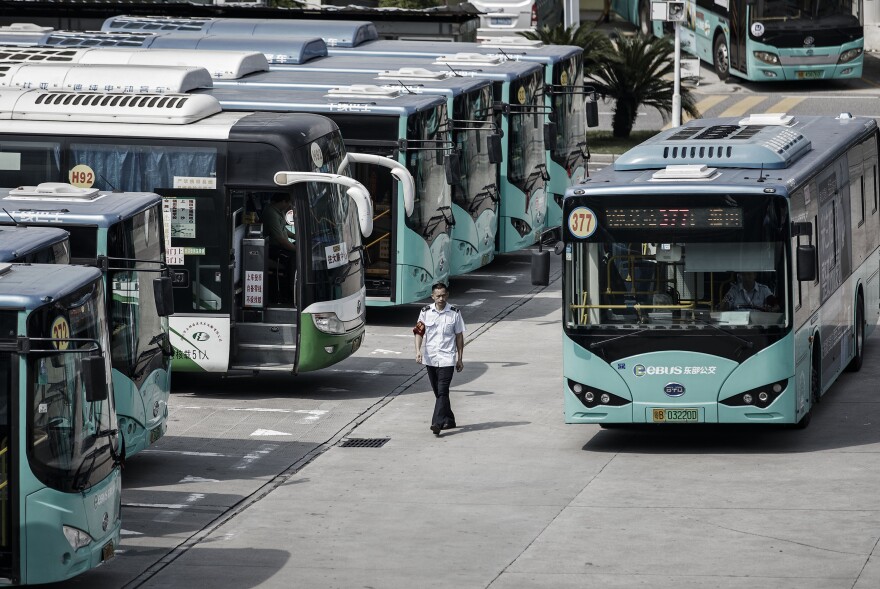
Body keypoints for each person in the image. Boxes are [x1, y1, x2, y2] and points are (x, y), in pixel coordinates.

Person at [413, 282, 465, 437]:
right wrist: (418, 351)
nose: (441, 298)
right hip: (430, 358)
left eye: (443, 295)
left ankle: (437, 423)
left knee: (442, 391)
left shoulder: (454, 313)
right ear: (433, 296)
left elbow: (459, 336)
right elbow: (418, 332)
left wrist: (460, 358)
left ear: (447, 295)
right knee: (438, 392)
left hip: (447, 358)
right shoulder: (425, 312)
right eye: (438, 296)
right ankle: (449, 419)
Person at [262, 194, 296, 304]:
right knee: (294, 259)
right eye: (288, 202)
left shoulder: (278, 211)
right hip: (274, 249)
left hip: (281, 246)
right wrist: (297, 250)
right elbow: (280, 238)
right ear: (282, 201)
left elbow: (283, 230)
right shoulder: (271, 213)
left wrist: (296, 237)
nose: (289, 205)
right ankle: (289, 292)